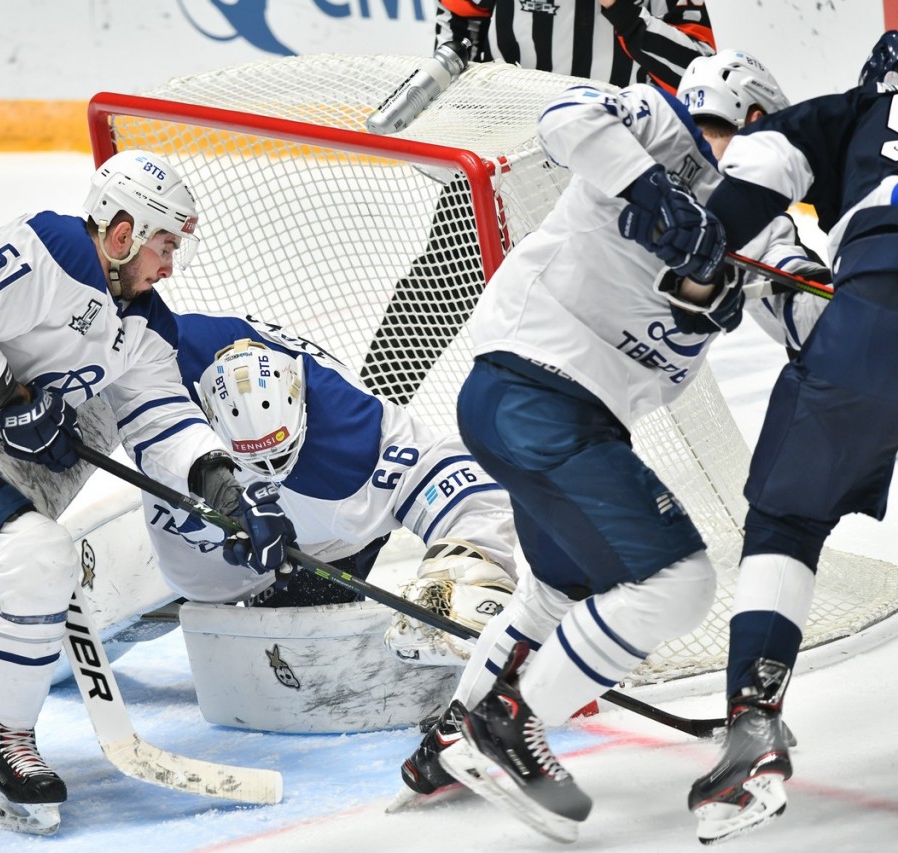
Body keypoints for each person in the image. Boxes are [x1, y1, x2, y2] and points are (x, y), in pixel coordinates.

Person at [392, 51, 818, 843]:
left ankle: (448, 739)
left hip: (547, 416)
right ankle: (504, 726)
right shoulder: (657, 126)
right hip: (535, 392)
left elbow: (807, 326)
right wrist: (651, 190)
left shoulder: (764, 223)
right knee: (678, 581)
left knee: (553, 592)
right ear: (752, 119)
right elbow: (564, 120)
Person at [0, 149, 298, 835]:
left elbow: (162, 418)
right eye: (164, 245)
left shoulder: (147, 327)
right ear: (122, 232)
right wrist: (10, 396)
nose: (169, 264)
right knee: (34, 551)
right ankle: (6, 744)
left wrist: (223, 484)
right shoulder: (52, 245)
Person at [686, 31, 898, 844]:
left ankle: (753, 728)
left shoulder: (850, 115)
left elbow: (746, 184)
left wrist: (695, 262)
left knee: (787, 520)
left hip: (875, 311)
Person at [360, 0, 718, 406]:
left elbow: (697, 73)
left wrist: (625, 12)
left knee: (594, 327)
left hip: (606, 166)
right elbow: (460, 17)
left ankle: (563, 447)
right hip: (502, 148)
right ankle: (371, 417)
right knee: (438, 290)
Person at [146, 311, 518, 661]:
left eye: (280, 453)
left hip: (322, 542)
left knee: (297, 657)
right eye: (255, 461)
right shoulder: (159, 354)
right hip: (189, 549)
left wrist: (472, 565)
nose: (271, 468)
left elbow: (449, 476)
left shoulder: (352, 432)